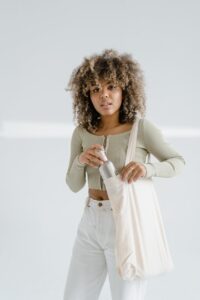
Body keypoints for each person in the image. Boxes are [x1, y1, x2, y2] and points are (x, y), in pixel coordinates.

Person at [63, 49, 186, 300]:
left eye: (111, 87)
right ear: (87, 94)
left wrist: (148, 168)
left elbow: (178, 162)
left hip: (127, 223)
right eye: (95, 89)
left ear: (124, 90)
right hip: (90, 222)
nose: (104, 95)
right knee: (74, 296)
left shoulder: (140, 129)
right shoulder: (82, 132)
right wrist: (80, 160)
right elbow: (73, 184)